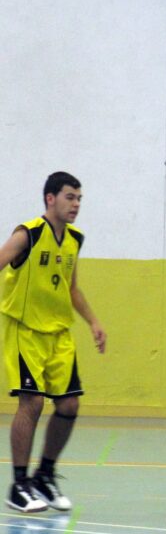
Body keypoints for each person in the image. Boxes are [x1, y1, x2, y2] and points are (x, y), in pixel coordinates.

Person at [0, 171, 107, 513]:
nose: (76, 204)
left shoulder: (74, 239)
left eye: (79, 199)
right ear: (50, 198)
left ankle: (43, 476)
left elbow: (71, 288)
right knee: (31, 404)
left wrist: (93, 322)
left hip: (58, 334)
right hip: (25, 330)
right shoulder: (27, 234)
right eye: (70, 197)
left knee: (69, 406)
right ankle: (18, 484)